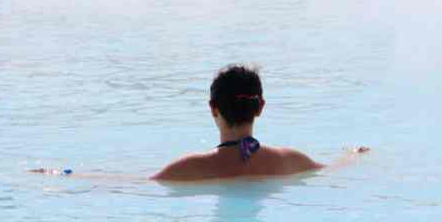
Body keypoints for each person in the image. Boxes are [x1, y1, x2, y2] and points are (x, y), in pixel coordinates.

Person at [151, 65, 367, 181]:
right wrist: (353, 155)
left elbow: (136, 186)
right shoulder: (290, 160)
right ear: (260, 106)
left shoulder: (187, 168)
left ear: (213, 108)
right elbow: (332, 169)